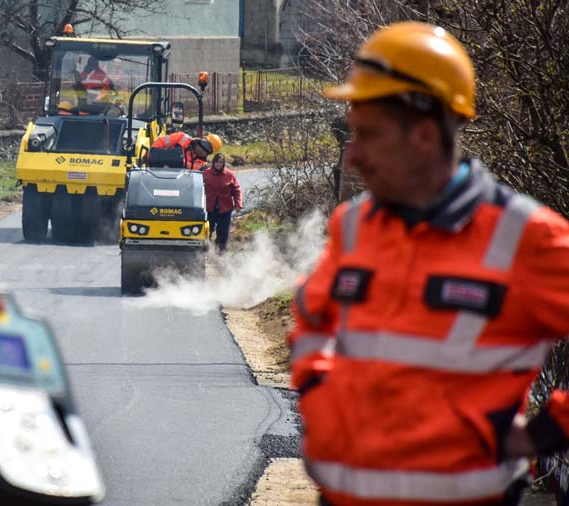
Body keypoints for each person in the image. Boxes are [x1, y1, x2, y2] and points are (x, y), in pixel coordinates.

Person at [288, 21, 569, 506]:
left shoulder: (526, 239)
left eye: (368, 136)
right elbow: (310, 319)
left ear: (422, 134)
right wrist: (319, 394)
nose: (352, 156)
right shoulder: (353, 226)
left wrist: (545, 434)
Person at [203, 153, 242, 251]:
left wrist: (238, 204)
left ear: (223, 163)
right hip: (210, 209)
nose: (218, 164)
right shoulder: (206, 173)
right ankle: (206, 251)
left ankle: (221, 253)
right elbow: (197, 187)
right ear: (213, 163)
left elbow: (237, 190)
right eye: (216, 162)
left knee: (223, 233)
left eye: (220, 162)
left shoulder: (229, 174)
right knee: (207, 231)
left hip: (225, 209)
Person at [150, 132, 222, 171]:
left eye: (207, 151)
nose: (202, 151)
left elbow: (193, 168)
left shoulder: (200, 163)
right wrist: (152, 153)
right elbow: (161, 142)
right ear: (201, 140)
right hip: (155, 170)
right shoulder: (182, 137)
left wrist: (177, 159)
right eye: (204, 145)